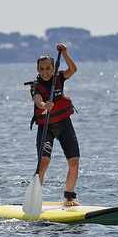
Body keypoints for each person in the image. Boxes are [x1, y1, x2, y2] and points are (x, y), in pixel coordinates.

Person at [28, 43, 80, 206]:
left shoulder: (60, 77)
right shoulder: (35, 86)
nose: (45, 72)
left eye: (48, 68)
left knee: (74, 161)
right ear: (38, 70)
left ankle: (69, 197)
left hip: (64, 124)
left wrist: (64, 53)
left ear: (53, 68)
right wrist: (44, 106)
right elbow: (38, 101)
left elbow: (73, 69)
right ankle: (33, 199)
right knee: (44, 162)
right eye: (42, 69)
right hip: (46, 127)